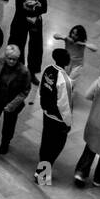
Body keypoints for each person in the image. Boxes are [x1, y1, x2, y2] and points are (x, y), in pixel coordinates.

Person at [36, 49, 75, 181]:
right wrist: (68, 123)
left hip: (47, 114)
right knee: (55, 147)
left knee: (46, 143)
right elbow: (65, 105)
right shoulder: (65, 80)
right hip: (58, 120)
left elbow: (41, 88)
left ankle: (41, 170)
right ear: (67, 61)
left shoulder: (48, 69)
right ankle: (42, 175)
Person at [8, 0, 48, 81]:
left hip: (35, 21)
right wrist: (35, 8)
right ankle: (19, 70)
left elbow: (44, 8)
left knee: (36, 46)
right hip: (21, 21)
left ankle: (32, 72)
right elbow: (19, 9)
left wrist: (32, 10)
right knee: (18, 44)